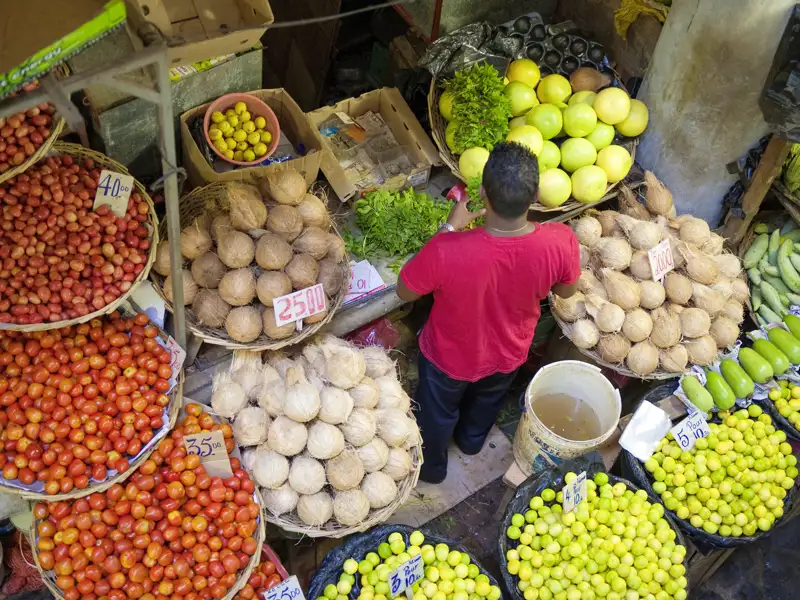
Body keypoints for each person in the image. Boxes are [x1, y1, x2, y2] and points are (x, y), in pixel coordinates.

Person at [396, 142, 581, 483]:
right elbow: (566, 292)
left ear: (481, 192)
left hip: (448, 360)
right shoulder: (561, 241)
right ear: (537, 194)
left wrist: (450, 227)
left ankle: (433, 470)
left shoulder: (446, 250)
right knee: (487, 401)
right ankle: (470, 443)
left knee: (436, 415)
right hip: (509, 353)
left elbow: (404, 290)